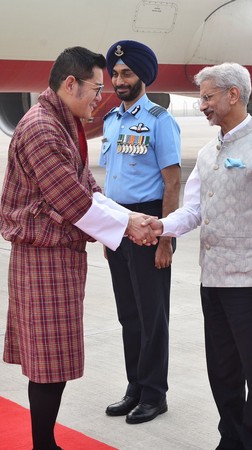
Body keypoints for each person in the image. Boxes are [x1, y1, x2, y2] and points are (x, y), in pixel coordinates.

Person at [0, 46, 157, 450]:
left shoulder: (62, 122)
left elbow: (88, 186)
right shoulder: (41, 128)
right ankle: (43, 444)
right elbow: (71, 200)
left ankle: (45, 441)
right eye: (95, 88)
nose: (99, 97)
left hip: (59, 257)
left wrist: (126, 218)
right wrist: (129, 225)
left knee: (55, 359)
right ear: (70, 83)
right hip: (42, 258)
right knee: (49, 362)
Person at [142, 63, 252, 449]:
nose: (202, 106)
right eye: (201, 98)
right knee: (223, 372)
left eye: (207, 97)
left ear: (233, 95)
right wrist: (161, 227)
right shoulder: (209, 151)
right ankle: (231, 438)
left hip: (251, 284)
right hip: (212, 280)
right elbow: (194, 210)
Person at [100, 40, 181, 424]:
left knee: (153, 315)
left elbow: (172, 183)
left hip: (149, 224)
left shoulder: (160, 121)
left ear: (142, 77)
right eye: (115, 74)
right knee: (128, 314)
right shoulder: (111, 121)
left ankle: (154, 393)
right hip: (118, 225)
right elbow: (111, 181)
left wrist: (167, 239)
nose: (119, 80)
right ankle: (134, 387)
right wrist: (108, 232)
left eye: (126, 73)